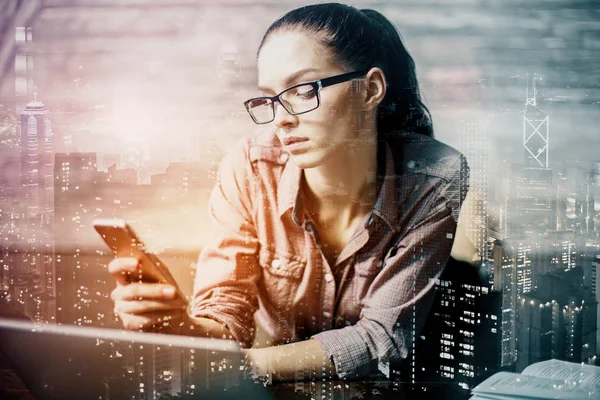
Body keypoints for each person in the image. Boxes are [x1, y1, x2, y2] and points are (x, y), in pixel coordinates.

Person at [108, 2, 469, 382]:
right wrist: (181, 327)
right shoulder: (251, 168)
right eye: (270, 97)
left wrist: (240, 368)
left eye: (302, 89)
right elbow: (227, 313)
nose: (281, 118)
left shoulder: (436, 179)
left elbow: (383, 341)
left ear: (370, 89)